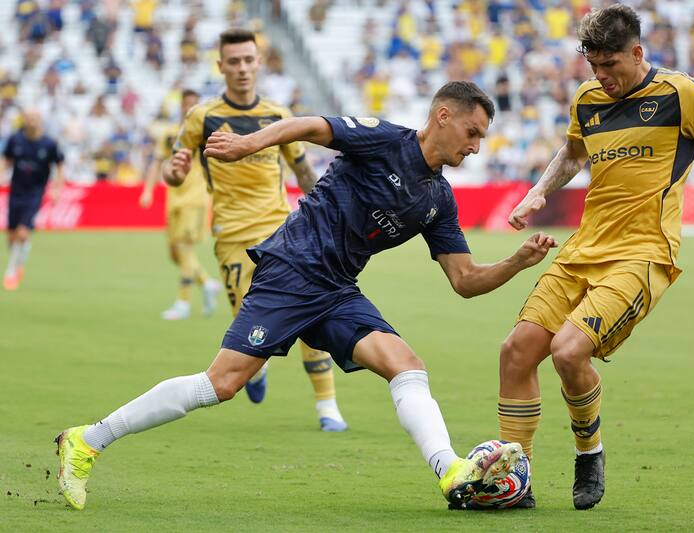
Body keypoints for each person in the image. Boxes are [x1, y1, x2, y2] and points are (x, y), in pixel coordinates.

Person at [54, 80, 559, 511]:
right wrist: (248, 145)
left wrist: (516, 261)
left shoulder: (438, 199)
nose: (476, 147)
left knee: (406, 365)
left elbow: (465, 280)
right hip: (291, 271)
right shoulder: (385, 139)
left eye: (481, 138)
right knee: (222, 383)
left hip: (337, 290)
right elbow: (309, 126)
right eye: (473, 133)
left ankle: (450, 471)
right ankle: (87, 440)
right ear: (443, 116)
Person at [497, 3, 694, 512]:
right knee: (516, 351)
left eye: (610, 65)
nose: (601, 76)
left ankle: (589, 452)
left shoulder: (682, 94)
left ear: (637, 52)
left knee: (568, 352)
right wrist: (538, 191)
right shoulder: (588, 98)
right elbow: (573, 152)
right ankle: (514, 479)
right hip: (583, 249)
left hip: (643, 254)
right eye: (593, 66)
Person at [164, 29, 347, 430]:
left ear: (259, 63)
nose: (243, 68)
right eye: (234, 61)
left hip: (283, 232)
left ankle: (327, 407)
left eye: (249, 60)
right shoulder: (202, 117)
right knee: (251, 325)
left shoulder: (279, 115)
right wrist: (173, 172)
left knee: (310, 315)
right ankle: (257, 367)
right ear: (221, 66)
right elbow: (173, 168)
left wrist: (329, 216)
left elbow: (303, 170)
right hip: (232, 238)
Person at [139, 89, 221, 320]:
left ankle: (183, 302)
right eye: (186, 104)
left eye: (194, 104)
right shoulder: (170, 134)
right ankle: (206, 283)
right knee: (175, 253)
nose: (189, 108)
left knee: (184, 248)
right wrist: (148, 190)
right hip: (173, 198)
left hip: (196, 197)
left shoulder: (206, 133)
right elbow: (157, 162)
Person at [2, 107, 64, 291]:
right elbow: (7, 160)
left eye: (34, 118)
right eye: (28, 118)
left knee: (22, 232)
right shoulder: (15, 140)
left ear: (40, 120)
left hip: (35, 194)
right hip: (16, 192)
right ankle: (21, 256)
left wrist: (57, 189)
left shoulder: (49, 144)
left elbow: (59, 165)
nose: (31, 121)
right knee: (11, 236)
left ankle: (11, 271)